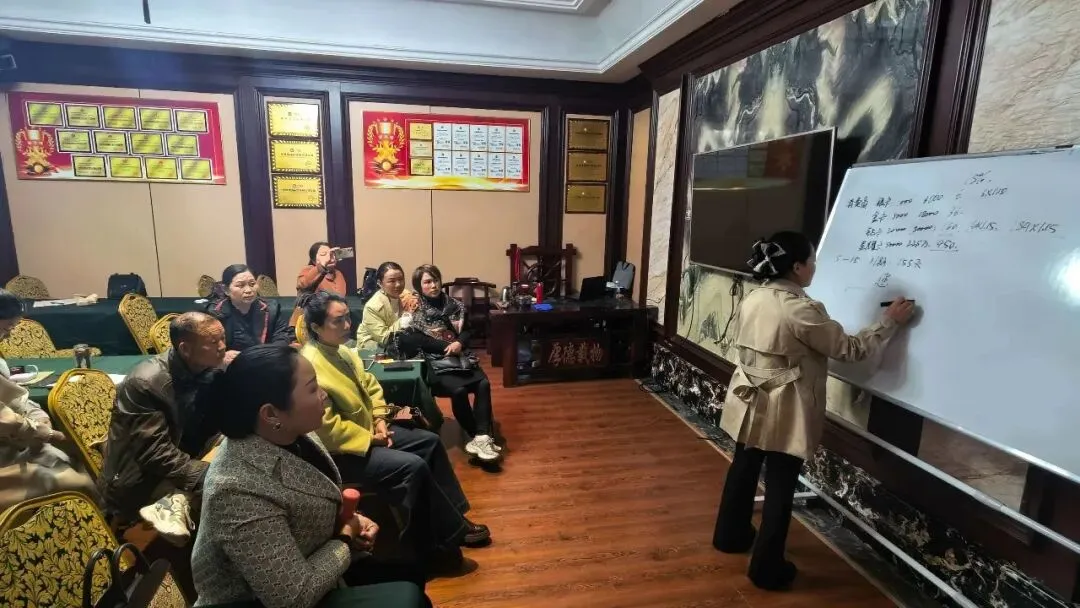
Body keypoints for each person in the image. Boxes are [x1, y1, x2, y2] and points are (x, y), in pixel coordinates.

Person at [711, 231, 916, 591]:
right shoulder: (800, 309)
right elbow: (850, 349)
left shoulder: (755, 295)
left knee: (744, 466)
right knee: (780, 482)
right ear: (796, 267)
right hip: (783, 405)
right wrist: (889, 322)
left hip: (747, 397)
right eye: (811, 260)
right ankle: (767, 569)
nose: (814, 267)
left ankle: (730, 536)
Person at [191, 344, 426, 608]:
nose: (324, 395)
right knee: (408, 597)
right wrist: (346, 537)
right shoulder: (236, 490)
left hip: (314, 561)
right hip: (257, 602)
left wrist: (350, 519)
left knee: (413, 572)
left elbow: (307, 501)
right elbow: (293, 598)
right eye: (313, 388)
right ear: (271, 414)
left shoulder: (294, 432)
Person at [300, 291, 490, 572]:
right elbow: (327, 430)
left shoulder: (342, 350)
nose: (347, 325)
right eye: (338, 321)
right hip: (345, 453)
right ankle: (429, 546)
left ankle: (453, 520)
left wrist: (379, 419)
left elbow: (371, 385)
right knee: (411, 467)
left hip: (370, 432)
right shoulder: (310, 365)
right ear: (316, 327)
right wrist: (371, 439)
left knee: (429, 442)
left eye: (347, 318)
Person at [100, 312, 226, 544]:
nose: (222, 347)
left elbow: (218, 424)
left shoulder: (208, 368)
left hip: (187, 454)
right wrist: (207, 474)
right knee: (230, 492)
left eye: (223, 339)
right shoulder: (145, 383)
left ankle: (180, 500)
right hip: (142, 478)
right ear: (185, 349)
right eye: (213, 342)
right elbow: (154, 454)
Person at [0, 288, 97, 511]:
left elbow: (16, 397)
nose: (9, 336)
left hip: (16, 441)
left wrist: (38, 415)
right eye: (6, 328)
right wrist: (48, 433)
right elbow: (6, 420)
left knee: (80, 459)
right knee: (76, 482)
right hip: (5, 453)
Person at [409, 264, 500, 462]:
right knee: (458, 391)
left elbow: (468, 331)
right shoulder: (415, 309)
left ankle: (482, 436)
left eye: (436, 280)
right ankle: (477, 435)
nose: (433, 285)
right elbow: (418, 340)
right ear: (419, 286)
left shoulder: (455, 305)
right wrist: (446, 346)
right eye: (427, 282)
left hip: (460, 358)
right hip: (435, 361)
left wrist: (459, 343)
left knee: (483, 384)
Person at [207, 264, 294, 364]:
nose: (248, 290)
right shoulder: (215, 313)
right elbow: (208, 345)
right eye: (240, 285)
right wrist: (222, 355)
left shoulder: (271, 309)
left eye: (252, 284)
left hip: (265, 362)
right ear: (226, 290)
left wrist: (263, 356)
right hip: (231, 365)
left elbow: (282, 337)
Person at [356, 262, 420, 351]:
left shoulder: (404, 295)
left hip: (398, 343)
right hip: (372, 348)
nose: (398, 284)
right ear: (380, 283)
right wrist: (404, 320)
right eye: (392, 281)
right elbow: (384, 338)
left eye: (401, 279)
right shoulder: (372, 306)